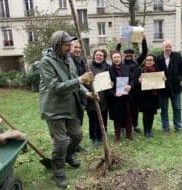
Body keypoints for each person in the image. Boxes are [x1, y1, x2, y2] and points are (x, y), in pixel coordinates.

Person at [39, 31, 94, 188]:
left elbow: (75, 82)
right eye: (66, 45)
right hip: (54, 108)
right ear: (57, 45)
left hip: (69, 106)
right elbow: (55, 87)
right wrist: (80, 79)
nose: (70, 47)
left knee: (77, 136)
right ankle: (59, 171)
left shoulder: (69, 60)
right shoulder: (46, 62)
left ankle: (69, 155)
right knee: (61, 142)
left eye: (70, 44)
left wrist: (86, 92)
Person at [116, 34, 148, 133]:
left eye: (130, 53)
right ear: (123, 54)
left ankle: (135, 125)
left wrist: (143, 40)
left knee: (135, 109)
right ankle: (122, 127)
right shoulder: (120, 63)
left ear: (133, 54)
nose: (128, 54)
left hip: (136, 90)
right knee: (123, 108)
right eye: (126, 53)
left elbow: (144, 53)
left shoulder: (137, 62)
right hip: (124, 89)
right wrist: (119, 44)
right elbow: (115, 54)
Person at [156, 40, 182, 133]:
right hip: (163, 88)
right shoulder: (158, 58)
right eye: (166, 47)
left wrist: (178, 78)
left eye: (170, 47)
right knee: (164, 109)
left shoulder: (177, 56)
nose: (168, 48)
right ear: (163, 48)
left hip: (175, 87)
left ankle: (178, 127)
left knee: (177, 108)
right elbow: (155, 71)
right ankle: (166, 128)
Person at [86, 48, 110, 147]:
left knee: (103, 117)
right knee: (93, 118)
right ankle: (94, 137)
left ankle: (101, 136)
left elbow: (110, 79)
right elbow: (83, 80)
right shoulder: (88, 67)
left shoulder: (106, 67)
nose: (98, 56)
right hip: (92, 97)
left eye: (101, 55)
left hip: (104, 97)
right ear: (94, 55)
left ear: (104, 57)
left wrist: (111, 82)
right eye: (97, 55)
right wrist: (87, 83)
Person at [108, 51, 133, 142]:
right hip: (116, 98)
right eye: (114, 57)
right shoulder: (109, 70)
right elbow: (107, 86)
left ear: (121, 57)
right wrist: (114, 93)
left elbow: (132, 80)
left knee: (128, 116)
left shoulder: (127, 67)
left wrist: (130, 86)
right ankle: (117, 136)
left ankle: (129, 135)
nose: (116, 58)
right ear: (112, 59)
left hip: (126, 97)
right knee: (117, 118)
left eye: (118, 57)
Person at [138, 54, 160, 138]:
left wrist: (163, 79)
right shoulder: (141, 70)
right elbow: (136, 82)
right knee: (145, 114)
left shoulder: (157, 70)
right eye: (147, 60)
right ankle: (145, 131)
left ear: (154, 61)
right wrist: (139, 81)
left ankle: (150, 130)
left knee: (151, 113)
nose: (148, 61)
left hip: (154, 95)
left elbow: (161, 83)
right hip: (144, 96)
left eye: (150, 60)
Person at [70, 40, 87, 152]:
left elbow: (83, 79)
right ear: (70, 48)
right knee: (72, 123)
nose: (78, 50)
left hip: (81, 96)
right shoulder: (68, 61)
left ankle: (76, 145)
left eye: (80, 48)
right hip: (72, 96)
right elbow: (74, 80)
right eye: (75, 47)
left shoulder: (81, 61)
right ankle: (71, 147)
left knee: (79, 120)